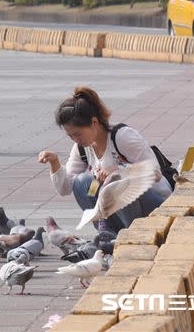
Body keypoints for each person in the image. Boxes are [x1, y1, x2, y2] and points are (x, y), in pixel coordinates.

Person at [38, 87, 172, 234]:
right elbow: (66, 188)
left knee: (116, 181)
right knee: (82, 182)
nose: (76, 140)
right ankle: (108, 234)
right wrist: (54, 163)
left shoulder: (122, 136)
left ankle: (133, 234)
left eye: (77, 134)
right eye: (70, 136)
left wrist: (119, 170)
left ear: (94, 122)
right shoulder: (82, 148)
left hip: (155, 205)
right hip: (120, 209)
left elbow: (155, 173)